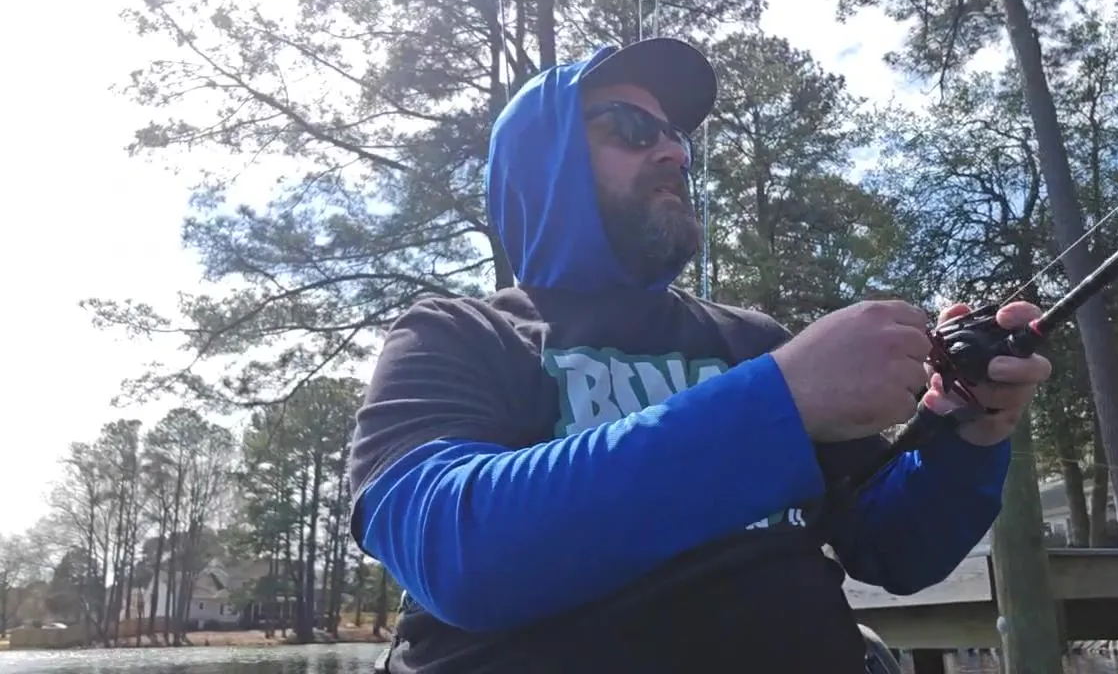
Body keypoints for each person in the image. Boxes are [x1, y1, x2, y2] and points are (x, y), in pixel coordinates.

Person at [348, 37, 1053, 673]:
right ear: (543, 162)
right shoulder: (453, 335)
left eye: (676, 136)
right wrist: (779, 401)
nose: (675, 154)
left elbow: (897, 551)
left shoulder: (754, 341)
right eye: (632, 128)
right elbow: (458, 552)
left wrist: (967, 433)